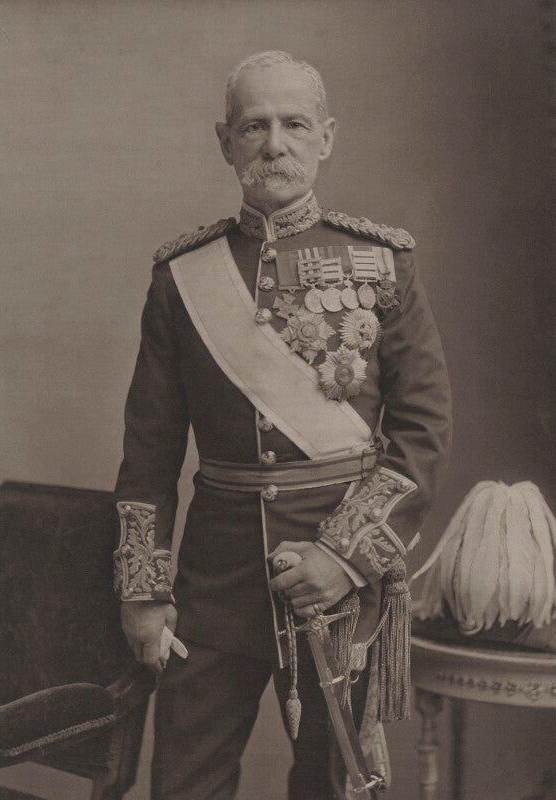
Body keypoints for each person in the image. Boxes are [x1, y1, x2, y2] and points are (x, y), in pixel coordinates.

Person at [114, 50, 452, 800]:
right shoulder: (182, 278)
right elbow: (149, 453)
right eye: (254, 126)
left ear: (325, 137)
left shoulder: (382, 263)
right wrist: (142, 591)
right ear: (225, 141)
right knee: (184, 784)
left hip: (339, 579)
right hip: (215, 577)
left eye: (294, 125)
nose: (274, 145)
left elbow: (422, 434)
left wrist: (344, 557)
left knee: (335, 783)